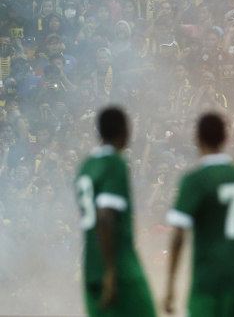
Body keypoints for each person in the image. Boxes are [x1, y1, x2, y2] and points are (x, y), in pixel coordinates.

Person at [164, 112, 234, 316]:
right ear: (225, 138)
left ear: (197, 138)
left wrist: (170, 287)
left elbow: (178, 236)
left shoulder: (194, 180)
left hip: (208, 279)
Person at [75, 107, 158, 317]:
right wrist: (111, 272)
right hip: (119, 267)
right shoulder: (114, 163)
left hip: (91, 266)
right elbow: (105, 217)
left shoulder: (86, 166)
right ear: (125, 131)